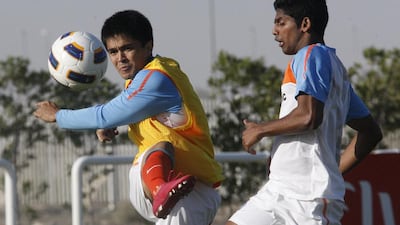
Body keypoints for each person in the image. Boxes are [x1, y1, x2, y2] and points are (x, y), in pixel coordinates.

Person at [34, 10, 224, 225]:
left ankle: (161, 188)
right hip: (168, 188)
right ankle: (160, 188)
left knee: (162, 145)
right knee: (160, 145)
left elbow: (105, 114)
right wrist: (110, 122)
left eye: (127, 48)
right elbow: (126, 112)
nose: (120, 58)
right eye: (113, 51)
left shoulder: (156, 78)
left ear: (148, 45)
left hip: (192, 195)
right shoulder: (145, 76)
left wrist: (59, 116)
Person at [226, 0, 383, 224]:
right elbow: (371, 132)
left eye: (281, 22)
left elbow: (309, 116)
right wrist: (333, 171)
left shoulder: (312, 55)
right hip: (279, 191)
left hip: (308, 202)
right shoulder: (331, 67)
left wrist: (260, 130)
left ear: (305, 24)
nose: (274, 31)